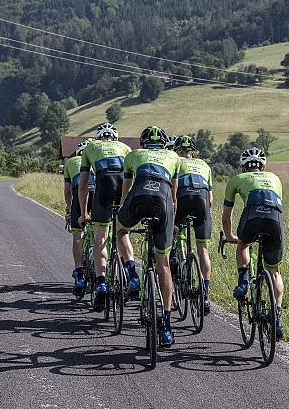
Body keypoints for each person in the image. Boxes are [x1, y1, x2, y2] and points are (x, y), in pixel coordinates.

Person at [118, 125, 181, 347]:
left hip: (137, 200)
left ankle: (131, 273)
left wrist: (122, 212)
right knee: (163, 263)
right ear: (164, 144)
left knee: (120, 230)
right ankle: (166, 324)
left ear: (143, 143)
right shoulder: (174, 157)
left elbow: (125, 193)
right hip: (163, 204)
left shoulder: (132, 155)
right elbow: (174, 198)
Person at [222, 147, 286, 340]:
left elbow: (226, 217)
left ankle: (243, 281)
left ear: (243, 167)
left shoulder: (236, 180)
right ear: (263, 166)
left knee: (244, 245)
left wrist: (231, 236)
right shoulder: (275, 178)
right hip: (275, 221)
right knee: (274, 271)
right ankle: (277, 317)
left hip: (252, 218)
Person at [78, 123, 138, 312]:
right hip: (122, 192)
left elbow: (83, 184)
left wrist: (82, 213)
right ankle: (132, 274)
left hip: (102, 193)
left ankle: (102, 282)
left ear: (99, 137)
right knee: (122, 233)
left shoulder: (90, 148)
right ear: (115, 137)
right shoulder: (126, 148)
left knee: (100, 238)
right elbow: (133, 179)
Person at [172, 135, 213, 314]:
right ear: (193, 152)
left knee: (171, 232)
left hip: (181, 200)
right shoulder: (204, 165)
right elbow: (210, 200)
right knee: (203, 249)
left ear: (176, 150)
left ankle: (174, 257)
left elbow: (170, 192)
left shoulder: (174, 161)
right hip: (202, 203)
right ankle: (205, 293)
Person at [63, 139, 95, 297]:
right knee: (102, 231)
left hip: (79, 196)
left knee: (77, 235)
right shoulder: (96, 158)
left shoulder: (71, 162)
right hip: (98, 197)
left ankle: (79, 273)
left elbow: (67, 191)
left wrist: (69, 210)